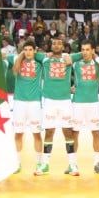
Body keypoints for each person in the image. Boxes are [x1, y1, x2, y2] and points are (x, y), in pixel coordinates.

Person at [34, 38, 76, 176]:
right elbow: (28, 52)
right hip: (49, 101)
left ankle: (72, 165)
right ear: (50, 46)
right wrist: (40, 52)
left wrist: (67, 56)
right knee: (49, 132)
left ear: (63, 46)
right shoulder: (44, 58)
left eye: (59, 43)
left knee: (68, 132)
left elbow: (87, 54)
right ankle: (45, 165)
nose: (56, 46)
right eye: (54, 43)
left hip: (65, 101)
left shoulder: (68, 57)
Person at [71, 41, 99, 174]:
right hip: (78, 103)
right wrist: (70, 86)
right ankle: (72, 164)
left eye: (87, 49)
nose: (84, 52)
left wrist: (97, 58)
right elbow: (66, 61)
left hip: (93, 103)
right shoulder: (76, 63)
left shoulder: (98, 63)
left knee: (96, 132)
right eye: (83, 49)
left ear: (92, 50)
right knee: (75, 133)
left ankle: (97, 163)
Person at [10, 40, 43, 173]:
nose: (28, 52)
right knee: (18, 133)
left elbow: (49, 56)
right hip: (19, 102)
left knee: (37, 134)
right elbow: (2, 56)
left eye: (30, 50)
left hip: (34, 102)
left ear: (35, 50)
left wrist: (37, 53)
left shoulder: (40, 62)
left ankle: (39, 163)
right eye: (26, 50)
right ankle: (17, 164)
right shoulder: (16, 59)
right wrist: (21, 55)